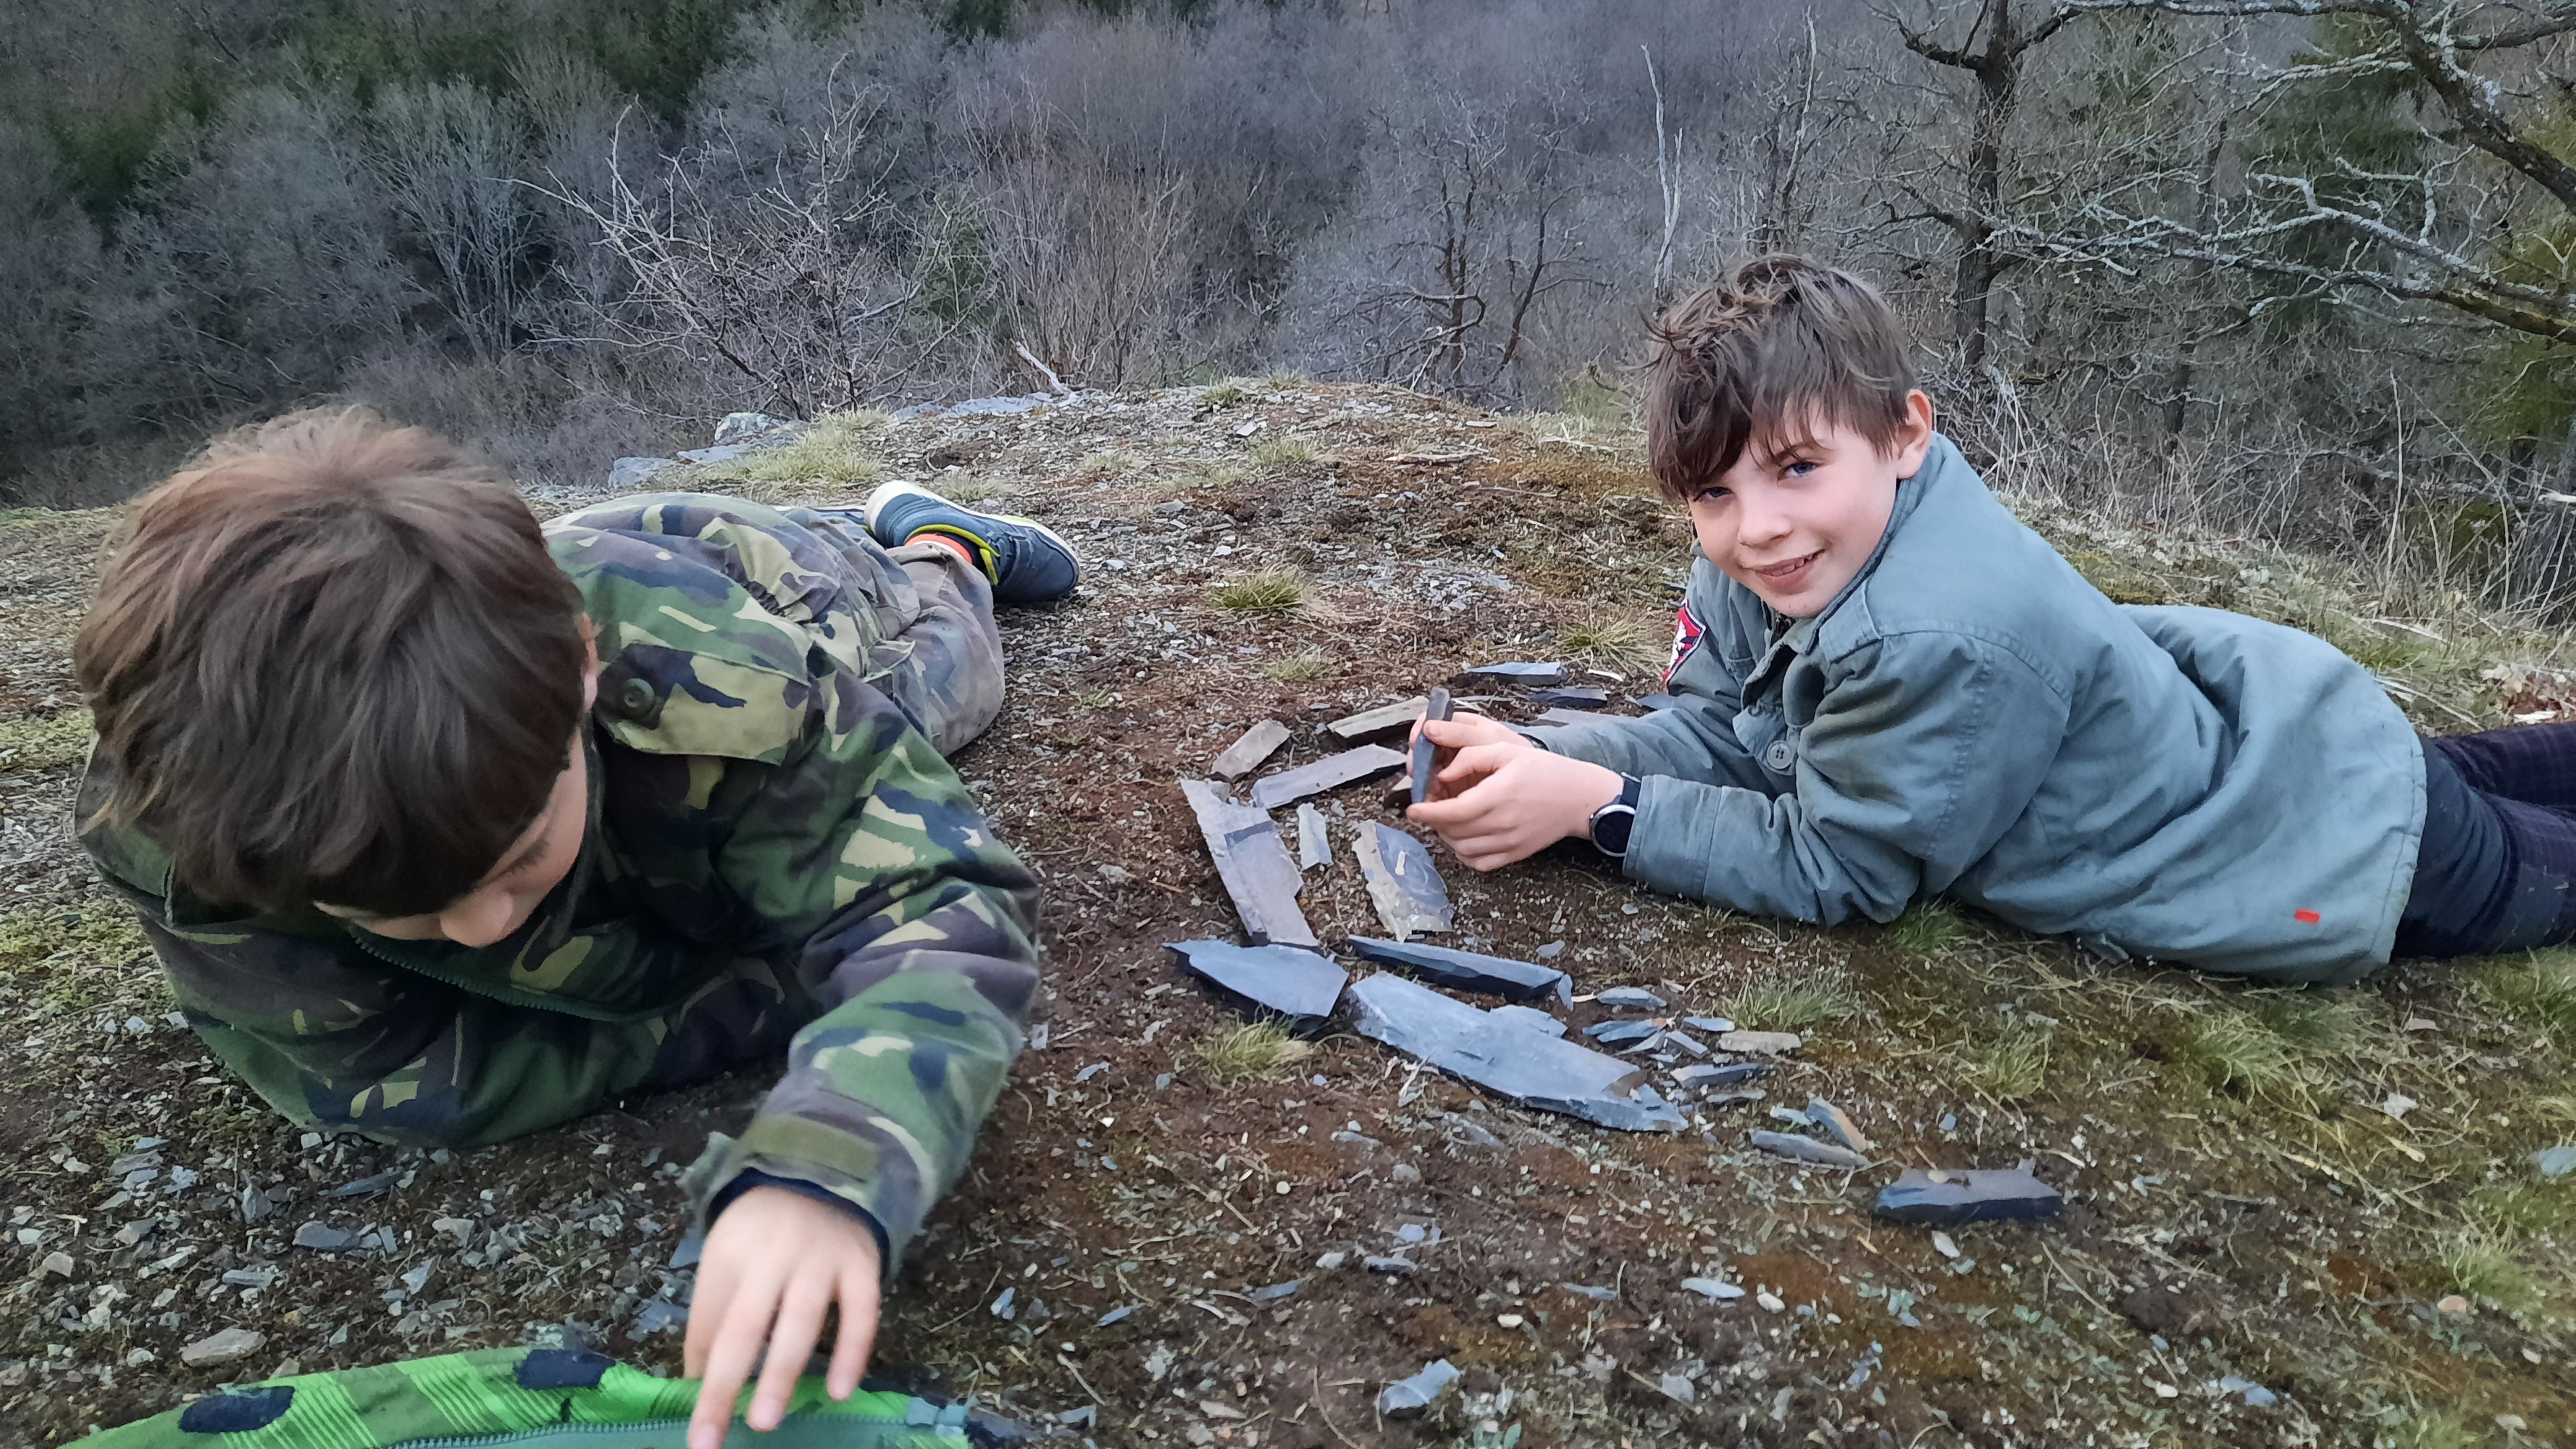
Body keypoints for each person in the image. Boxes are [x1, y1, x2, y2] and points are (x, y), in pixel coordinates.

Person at [72, 409, 1079, 1449]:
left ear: (581, 674)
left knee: (940, 684)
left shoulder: (719, 677)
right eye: (394, 911)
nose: (477, 930)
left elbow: (942, 899)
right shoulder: (190, 813)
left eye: (515, 860)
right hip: (531, 611)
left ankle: (936, 542)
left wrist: (835, 1153)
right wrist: (793, 982)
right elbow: (379, 1074)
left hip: (752, 580)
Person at [1410, 255, 2575, 982]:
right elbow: (1727, 731)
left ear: (1905, 434)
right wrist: (1548, 758)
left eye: (1797, 467)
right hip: (2293, 744)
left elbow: (1844, 867)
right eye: (1714, 492)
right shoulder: (1790, 552)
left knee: (2507, 850)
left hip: (2318, 845)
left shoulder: (1931, 637)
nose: (1756, 526)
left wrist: (1603, 813)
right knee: (2476, 774)